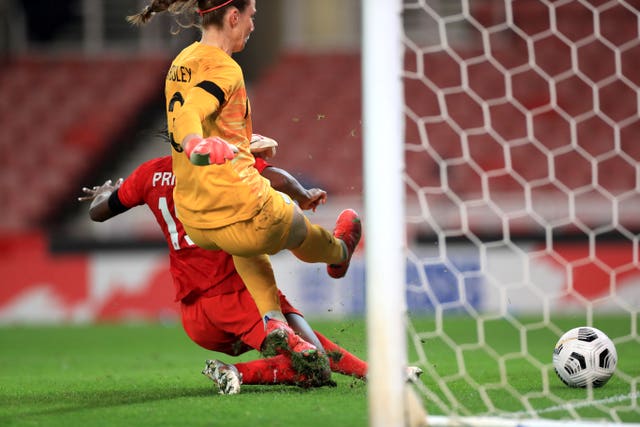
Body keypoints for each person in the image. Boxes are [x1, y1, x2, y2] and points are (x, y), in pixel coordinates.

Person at [126, 0, 362, 361]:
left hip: (200, 221)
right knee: (293, 225)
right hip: (247, 210)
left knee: (244, 247)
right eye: (252, 15)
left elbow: (193, 111)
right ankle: (340, 252)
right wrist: (195, 145)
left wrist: (225, 140)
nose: (253, 24)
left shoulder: (182, 62)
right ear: (233, 16)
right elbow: (192, 111)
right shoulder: (226, 69)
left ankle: (271, 320)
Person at [77, 137, 379, 394]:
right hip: (234, 289)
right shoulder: (218, 164)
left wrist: (104, 195)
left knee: (308, 352)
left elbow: (98, 213)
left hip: (194, 313)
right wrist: (303, 195)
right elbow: (277, 179)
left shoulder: (149, 173)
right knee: (314, 369)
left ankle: (374, 372)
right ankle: (235, 372)